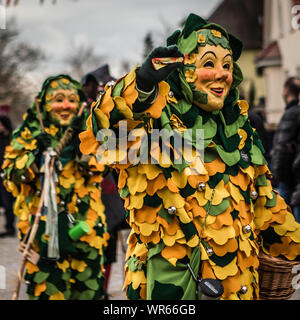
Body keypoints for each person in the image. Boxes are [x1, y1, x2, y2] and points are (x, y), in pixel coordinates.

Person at [80, 14, 300, 300]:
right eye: (208, 63)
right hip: (175, 291)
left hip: (239, 288)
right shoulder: (156, 121)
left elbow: (265, 206)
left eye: (227, 65)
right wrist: (144, 83)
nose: (221, 74)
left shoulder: (240, 128)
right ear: (184, 71)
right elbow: (103, 137)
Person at [2, 75, 109, 300]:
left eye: (71, 99)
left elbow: (101, 169)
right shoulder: (28, 134)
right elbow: (11, 175)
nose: (65, 106)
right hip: (42, 233)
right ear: (43, 104)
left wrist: (82, 143)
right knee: (48, 292)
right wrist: (35, 156)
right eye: (58, 99)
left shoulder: (88, 132)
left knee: (88, 292)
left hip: (85, 231)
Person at [271, 77, 300, 222]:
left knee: (285, 222)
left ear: (286, 90)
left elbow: (281, 148)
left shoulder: (291, 114)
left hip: (287, 178)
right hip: (293, 178)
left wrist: (275, 175)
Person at [0, 113, 15, 237]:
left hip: (9, 175)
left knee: (8, 202)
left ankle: (10, 227)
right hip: (1, 174)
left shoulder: (12, 139)